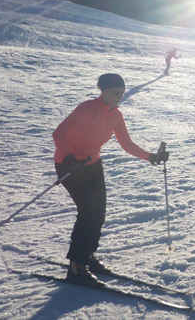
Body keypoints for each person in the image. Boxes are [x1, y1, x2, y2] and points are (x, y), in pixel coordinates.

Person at [53, 73, 169, 284]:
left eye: (122, 94)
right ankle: (77, 266)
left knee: (98, 212)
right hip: (69, 165)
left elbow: (126, 144)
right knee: (87, 211)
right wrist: (69, 157)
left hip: (92, 164)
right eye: (115, 92)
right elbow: (59, 134)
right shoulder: (86, 108)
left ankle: (87, 255)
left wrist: (151, 157)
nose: (119, 97)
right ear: (103, 90)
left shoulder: (116, 115)